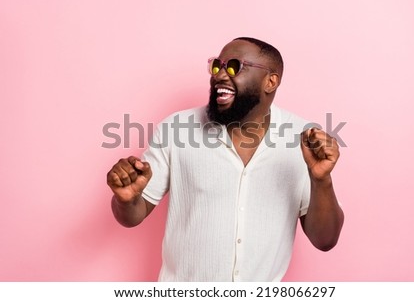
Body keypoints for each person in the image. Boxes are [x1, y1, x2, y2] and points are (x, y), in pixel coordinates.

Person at [107, 37, 344, 281]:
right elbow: (131, 216)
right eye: (216, 66)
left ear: (270, 81)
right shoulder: (176, 128)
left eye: (233, 66)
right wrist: (127, 200)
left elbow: (325, 240)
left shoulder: (303, 137)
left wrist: (321, 179)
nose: (220, 75)